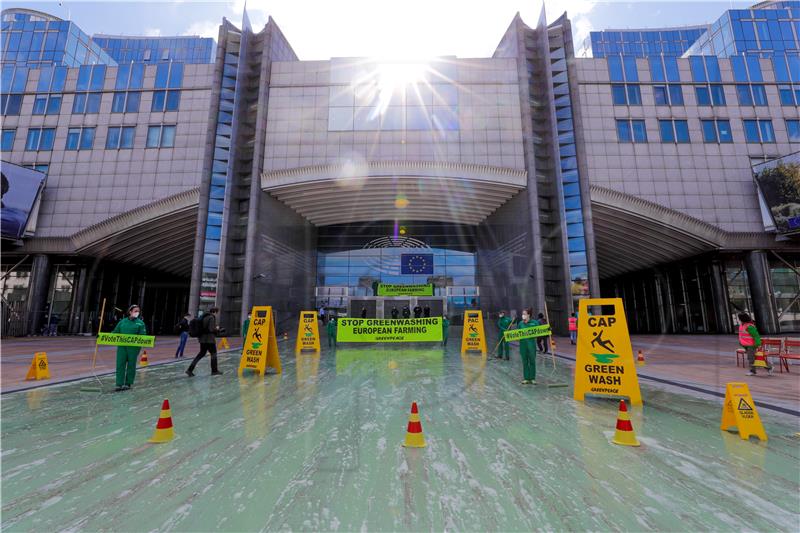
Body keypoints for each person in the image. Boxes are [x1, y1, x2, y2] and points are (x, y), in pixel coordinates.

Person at [112, 304, 146, 391]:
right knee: (120, 364)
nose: (137, 313)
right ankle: (119, 384)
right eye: (135, 311)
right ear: (130, 312)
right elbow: (115, 332)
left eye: (138, 311)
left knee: (131, 365)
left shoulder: (140, 323)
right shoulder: (122, 322)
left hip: (133, 348)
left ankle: (128, 383)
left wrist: (149, 340)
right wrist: (101, 336)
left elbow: (143, 336)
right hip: (122, 347)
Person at [186, 307, 224, 377]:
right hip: (209, 340)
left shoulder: (203, 316)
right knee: (213, 354)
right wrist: (218, 330)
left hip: (202, 339)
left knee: (200, 354)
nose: (217, 314)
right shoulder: (211, 317)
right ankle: (214, 371)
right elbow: (211, 329)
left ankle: (189, 370)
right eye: (217, 312)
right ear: (215, 312)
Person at [518, 308, 539, 385]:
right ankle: (526, 378)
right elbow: (517, 334)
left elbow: (540, 331)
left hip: (531, 345)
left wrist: (547, 330)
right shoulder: (520, 323)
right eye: (522, 314)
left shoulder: (534, 323)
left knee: (532, 361)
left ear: (528, 315)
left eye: (524, 314)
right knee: (525, 362)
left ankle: (532, 378)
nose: (523, 315)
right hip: (523, 345)